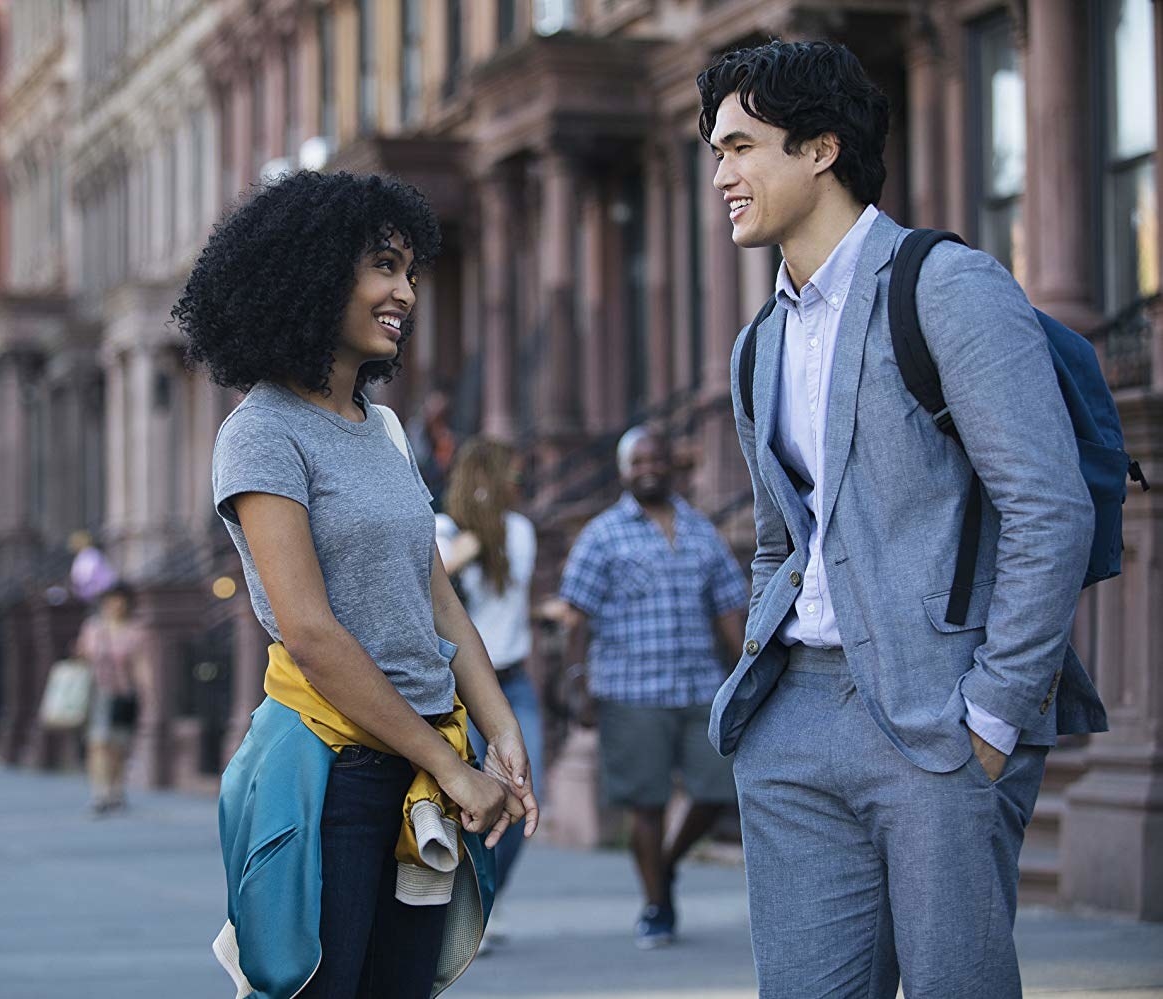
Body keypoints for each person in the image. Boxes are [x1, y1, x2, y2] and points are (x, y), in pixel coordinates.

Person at [698, 40, 1106, 997]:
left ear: (821, 148)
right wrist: (764, 704)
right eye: (716, 152)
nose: (721, 175)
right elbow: (776, 541)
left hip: (939, 721)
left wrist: (995, 714)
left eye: (741, 147)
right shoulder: (757, 342)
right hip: (791, 722)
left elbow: (1048, 509)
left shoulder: (947, 289)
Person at [173, 169, 538, 999]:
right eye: (382, 265)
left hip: (421, 770)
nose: (403, 292)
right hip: (330, 770)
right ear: (311, 274)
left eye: (408, 271)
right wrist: (449, 769)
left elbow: (436, 594)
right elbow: (310, 630)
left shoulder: (384, 429)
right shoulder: (260, 432)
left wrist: (500, 727)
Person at [558, 426, 748, 949]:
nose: (649, 469)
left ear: (673, 467)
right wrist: (578, 686)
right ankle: (657, 905)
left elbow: (730, 606)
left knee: (717, 787)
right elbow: (576, 618)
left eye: (657, 461)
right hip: (630, 691)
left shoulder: (701, 530)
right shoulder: (602, 533)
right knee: (647, 802)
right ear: (624, 471)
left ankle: (663, 866)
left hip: (699, 686)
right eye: (638, 462)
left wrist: (747, 672)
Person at [435, 438, 540, 945]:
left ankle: (484, 896)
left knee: (522, 796)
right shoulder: (441, 532)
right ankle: (465, 907)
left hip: (514, 683)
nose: (518, 488)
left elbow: (509, 604)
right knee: (469, 801)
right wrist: (461, 556)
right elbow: (430, 601)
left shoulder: (521, 532)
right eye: (512, 478)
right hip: (461, 692)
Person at [74, 581, 144, 815]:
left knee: (119, 745)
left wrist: (146, 692)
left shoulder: (134, 630)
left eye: (120, 600)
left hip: (123, 694)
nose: (115, 605)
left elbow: (141, 665)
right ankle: (100, 793)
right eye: (111, 600)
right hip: (97, 693)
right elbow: (81, 656)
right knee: (98, 744)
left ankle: (116, 789)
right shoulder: (92, 628)